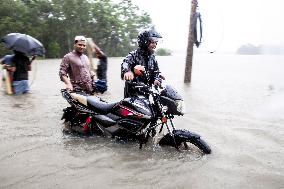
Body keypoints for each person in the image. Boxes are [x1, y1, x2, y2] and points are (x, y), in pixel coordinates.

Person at [121, 27, 163, 98]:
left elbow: (156, 72)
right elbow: (125, 63)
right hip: (132, 96)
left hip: (146, 95)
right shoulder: (132, 55)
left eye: (156, 43)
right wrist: (128, 71)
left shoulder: (152, 58)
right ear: (144, 41)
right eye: (153, 42)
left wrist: (157, 79)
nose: (155, 45)